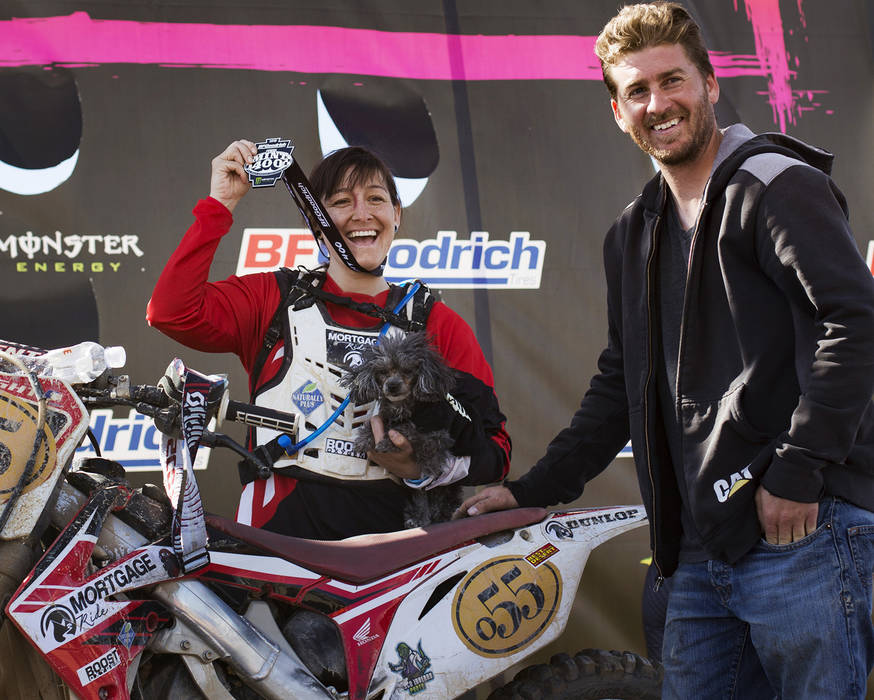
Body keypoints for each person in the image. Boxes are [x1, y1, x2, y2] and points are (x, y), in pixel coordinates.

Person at [458, 3, 874, 697]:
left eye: (672, 80)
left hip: (801, 532)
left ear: (710, 84)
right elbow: (624, 380)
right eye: (637, 91)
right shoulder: (632, 232)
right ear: (617, 112)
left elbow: (854, 323)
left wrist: (799, 472)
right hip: (697, 552)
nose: (659, 103)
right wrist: (532, 491)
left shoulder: (777, 184)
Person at [147, 139, 511, 540]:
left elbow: (496, 450)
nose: (361, 214)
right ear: (314, 218)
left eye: (375, 198)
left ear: (396, 215)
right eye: (340, 202)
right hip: (277, 551)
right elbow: (171, 311)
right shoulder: (274, 299)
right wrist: (221, 203)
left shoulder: (434, 322)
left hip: (394, 562)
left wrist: (420, 469)